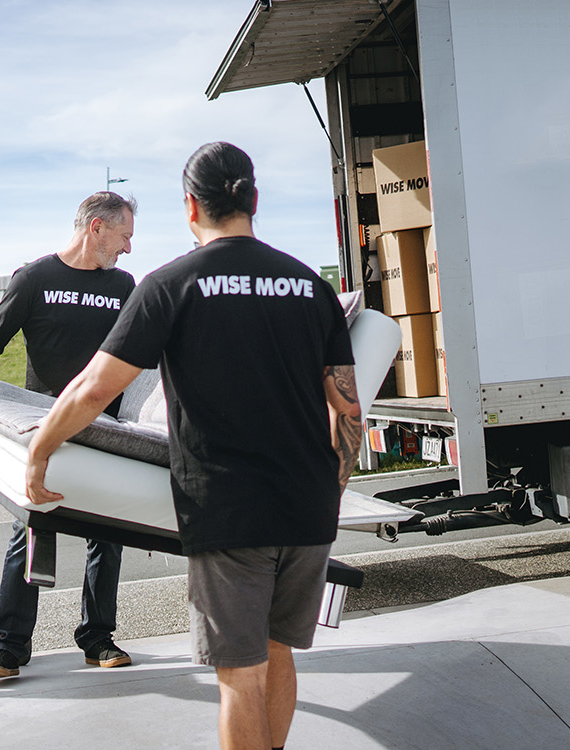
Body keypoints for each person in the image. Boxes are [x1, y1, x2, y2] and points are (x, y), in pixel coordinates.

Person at [25, 143, 361, 750]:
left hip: (228, 509)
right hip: (308, 506)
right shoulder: (311, 286)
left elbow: (94, 389)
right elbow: (347, 409)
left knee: (240, 673)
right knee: (279, 652)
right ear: (253, 200)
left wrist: (39, 450)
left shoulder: (169, 285)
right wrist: (328, 493)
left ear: (189, 207)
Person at [0, 191, 139, 679]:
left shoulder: (123, 284)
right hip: (45, 426)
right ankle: (8, 647)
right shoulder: (35, 278)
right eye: (124, 236)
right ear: (96, 227)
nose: (127, 248)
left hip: (107, 429)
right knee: (31, 529)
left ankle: (97, 638)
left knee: (109, 532)